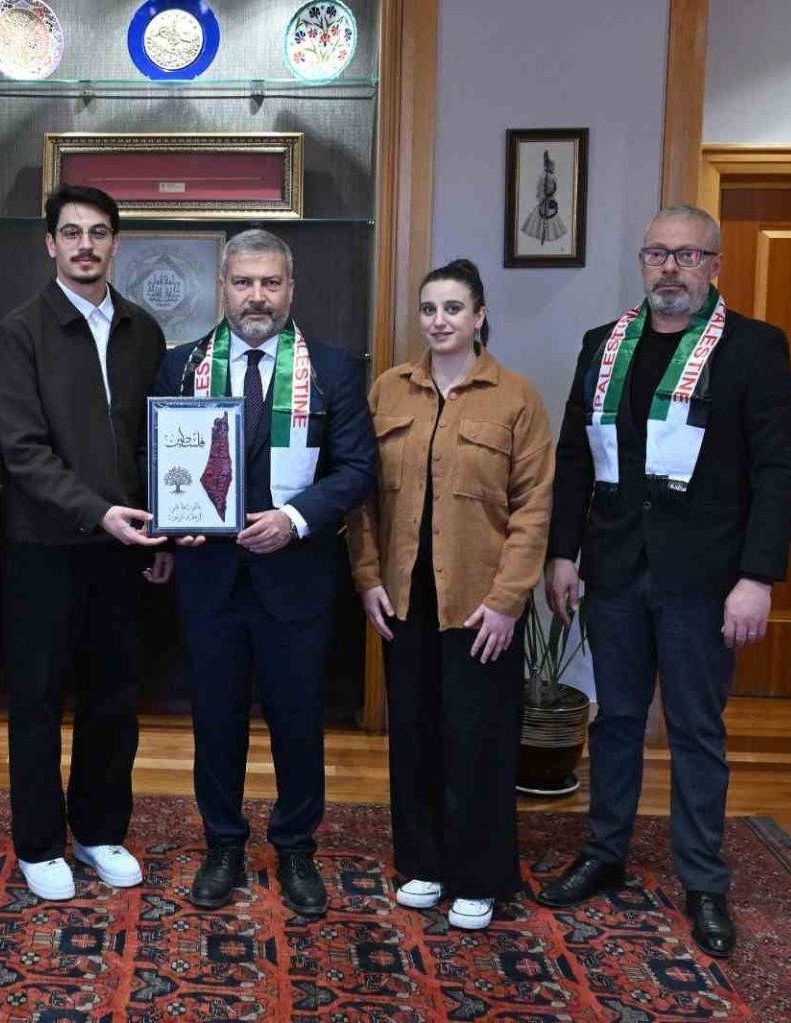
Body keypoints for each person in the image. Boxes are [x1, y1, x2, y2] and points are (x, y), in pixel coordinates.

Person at [538, 204, 791, 958]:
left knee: (694, 728)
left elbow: (779, 470)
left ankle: (704, 878)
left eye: (688, 255)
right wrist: (564, 553)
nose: (671, 268)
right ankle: (605, 852)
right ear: (642, 262)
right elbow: (574, 456)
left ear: (715, 265)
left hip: (705, 577)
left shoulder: (754, 348)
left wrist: (757, 577)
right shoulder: (604, 345)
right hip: (616, 567)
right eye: (658, 253)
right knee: (616, 720)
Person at [153, 229, 376, 917]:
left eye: (270, 283)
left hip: (296, 577)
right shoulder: (180, 366)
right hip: (209, 577)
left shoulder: (334, 369)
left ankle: (297, 847)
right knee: (215, 718)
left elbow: (358, 469)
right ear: (222, 287)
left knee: (298, 720)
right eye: (244, 282)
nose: (257, 296)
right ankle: (223, 843)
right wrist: (173, 518)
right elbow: (151, 455)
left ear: (291, 289)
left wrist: (295, 518)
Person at [347, 259, 553, 930]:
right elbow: (362, 499)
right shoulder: (388, 391)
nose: (439, 320)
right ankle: (423, 864)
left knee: (478, 742)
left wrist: (509, 599)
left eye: (454, 308)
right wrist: (368, 577)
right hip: (404, 598)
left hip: (480, 603)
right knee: (414, 736)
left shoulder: (515, 397)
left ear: (480, 315)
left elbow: (533, 508)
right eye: (430, 308)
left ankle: (477, 876)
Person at [0, 184, 169, 901]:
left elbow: (156, 442)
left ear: (115, 244)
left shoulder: (143, 330)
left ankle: (98, 831)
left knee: (114, 697)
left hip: (124, 547)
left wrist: (161, 529)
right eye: (72, 233)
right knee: (36, 700)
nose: (85, 245)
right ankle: (39, 843)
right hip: (43, 545)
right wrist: (99, 512)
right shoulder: (19, 331)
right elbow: (22, 450)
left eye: (98, 233)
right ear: (51, 244)